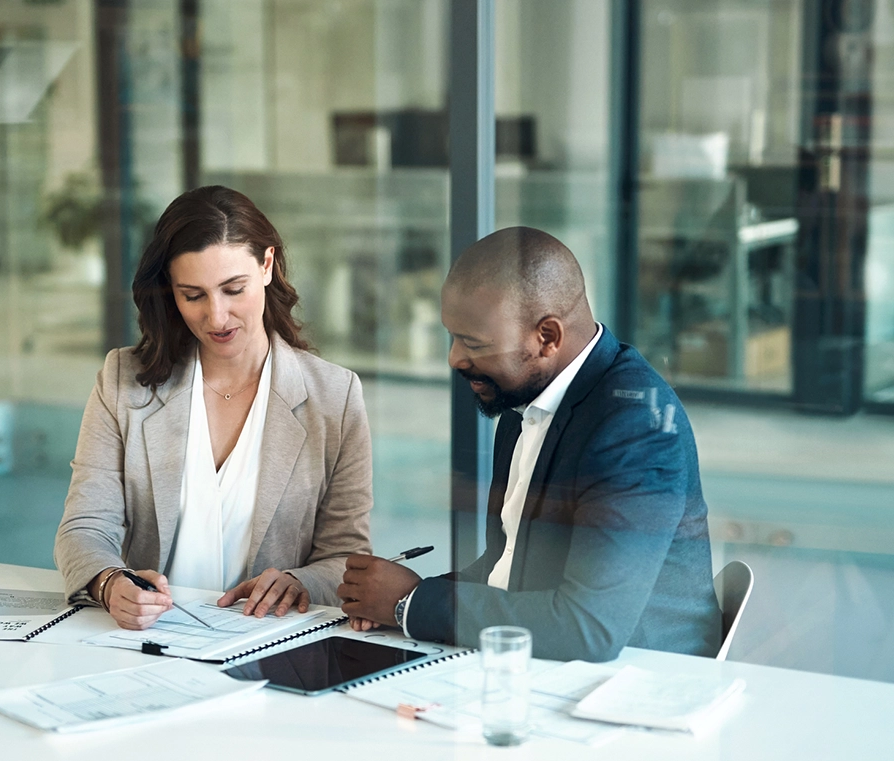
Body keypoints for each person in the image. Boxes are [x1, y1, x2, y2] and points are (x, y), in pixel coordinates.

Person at [338, 227, 722, 661]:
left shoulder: (635, 428)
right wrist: (401, 597)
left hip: (639, 683)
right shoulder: (526, 397)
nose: (454, 358)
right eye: (453, 336)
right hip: (550, 668)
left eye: (474, 343)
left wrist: (412, 604)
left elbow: (587, 628)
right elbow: (508, 565)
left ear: (548, 337)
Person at [55, 185, 372, 630]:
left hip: (271, 644)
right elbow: (84, 528)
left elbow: (346, 556)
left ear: (266, 265)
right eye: (193, 295)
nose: (217, 317)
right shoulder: (122, 381)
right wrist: (109, 582)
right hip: (148, 641)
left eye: (233, 289)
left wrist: (300, 582)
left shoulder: (334, 396)